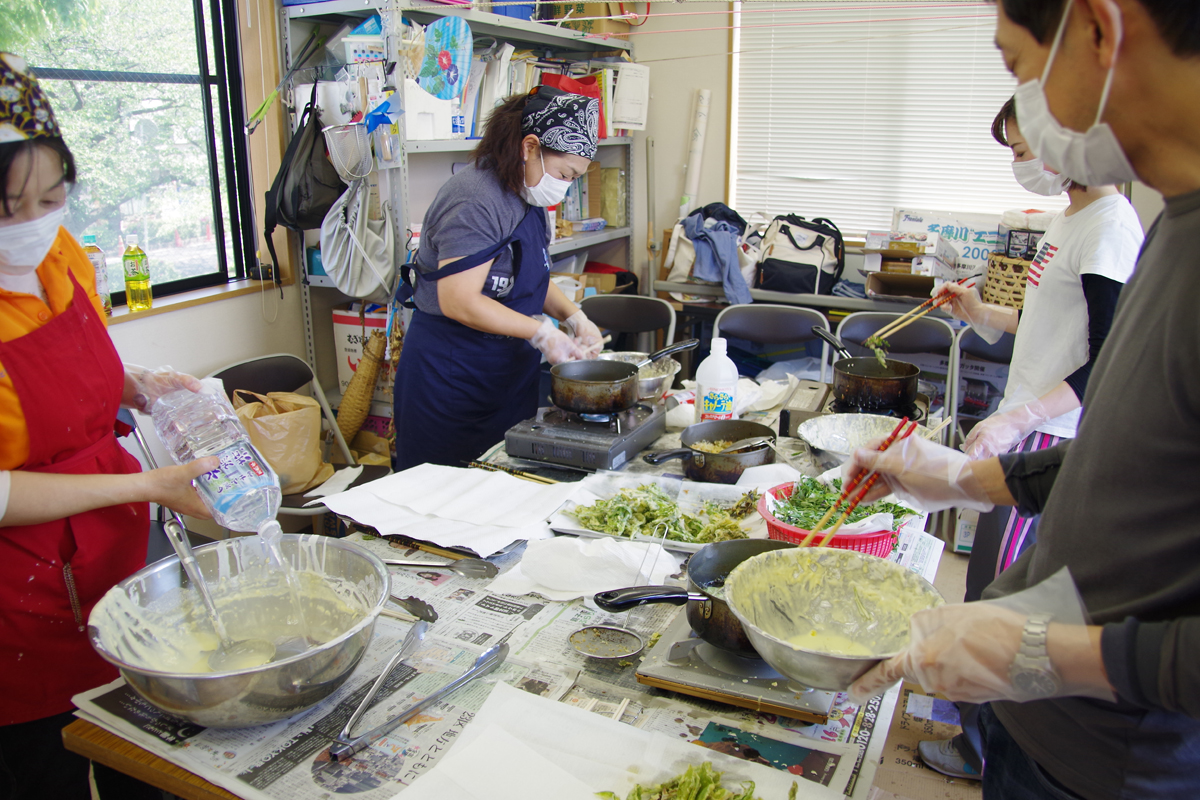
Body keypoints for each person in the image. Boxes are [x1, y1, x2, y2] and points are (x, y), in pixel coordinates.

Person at [845, 1, 1200, 797]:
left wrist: (1042, 652)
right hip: (1043, 736)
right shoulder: (1177, 222)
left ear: (1100, 29)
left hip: (1115, 774)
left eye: (1017, 66)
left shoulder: (1129, 225)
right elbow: (1138, 474)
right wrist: (967, 478)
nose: (1027, 115)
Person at [0, 53, 216, 800]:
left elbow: (81, 371)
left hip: (113, 561)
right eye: (7, 207)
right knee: (45, 766)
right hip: (17, 598)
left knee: (146, 758)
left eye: (53, 193)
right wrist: (149, 482)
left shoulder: (61, 255)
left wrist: (141, 386)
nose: (33, 224)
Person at [917, 97, 1143, 781]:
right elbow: (1052, 325)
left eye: (1021, 147)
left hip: (1050, 443)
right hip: (1026, 430)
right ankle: (974, 728)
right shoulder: (1072, 220)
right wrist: (980, 310)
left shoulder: (1109, 227)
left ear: (1065, 139)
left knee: (1009, 601)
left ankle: (987, 746)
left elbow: (1104, 357)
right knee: (988, 584)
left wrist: (1018, 420)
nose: (1019, 162)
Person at [394, 86, 605, 470]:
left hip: (506, 377)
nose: (565, 186)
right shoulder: (476, 199)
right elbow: (459, 300)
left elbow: (530, 276)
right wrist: (541, 332)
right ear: (529, 147)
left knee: (505, 489)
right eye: (564, 173)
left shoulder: (526, 194)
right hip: (453, 379)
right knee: (446, 503)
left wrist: (575, 317)